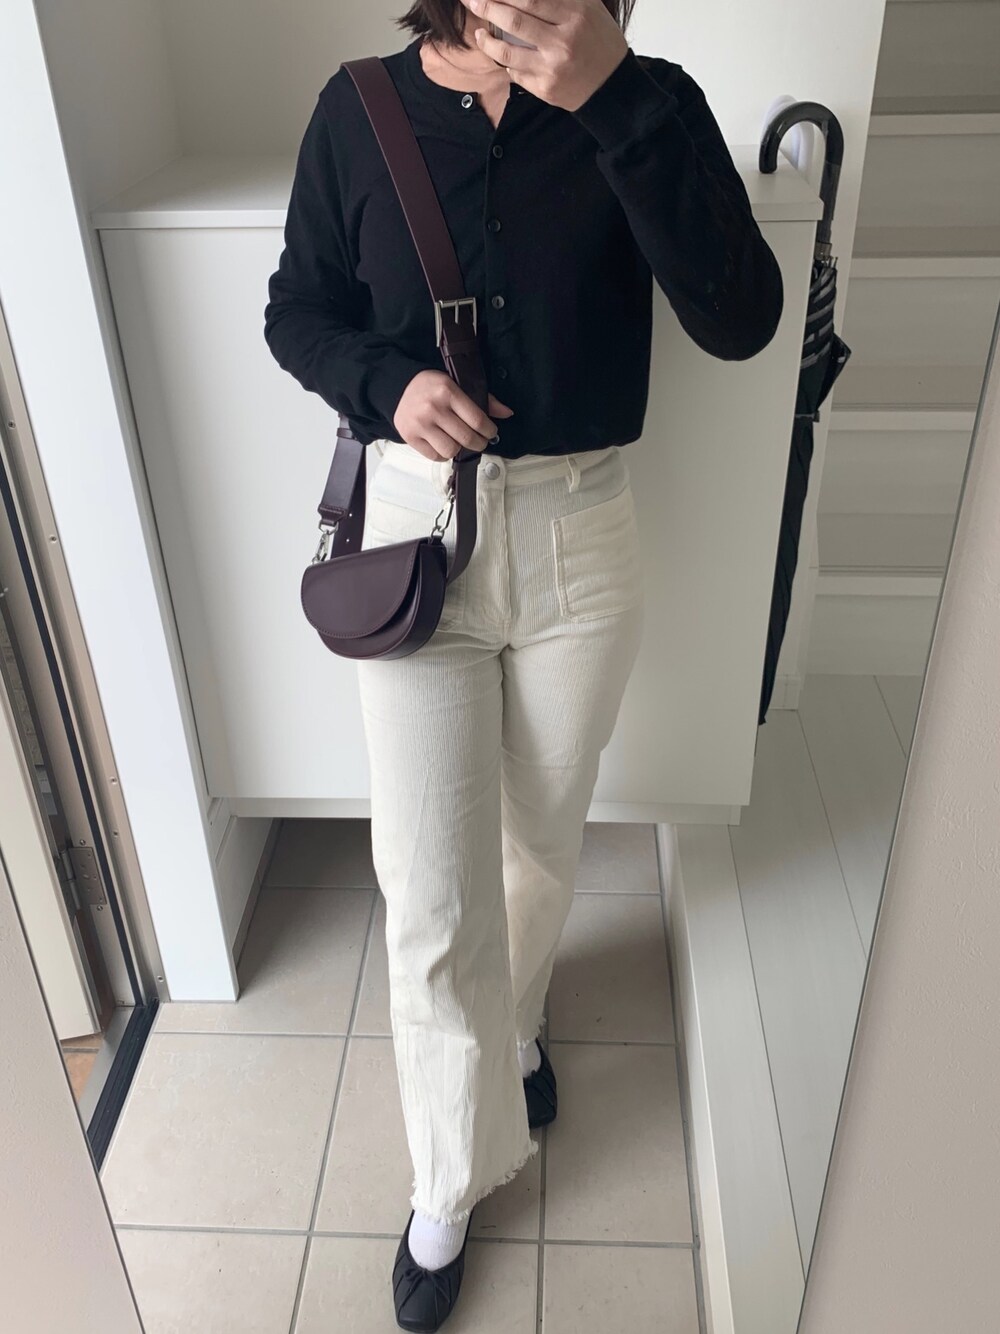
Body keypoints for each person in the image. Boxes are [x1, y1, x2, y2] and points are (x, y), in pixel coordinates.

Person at [264, 1, 783, 1327]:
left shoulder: (650, 96)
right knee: (429, 887)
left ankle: (518, 1026)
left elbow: (740, 318)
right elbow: (298, 310)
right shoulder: (360, 109)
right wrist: (386, 387)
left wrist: (612, 100)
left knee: (541, 841)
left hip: (580, 533)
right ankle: (449, 1177)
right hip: (415, 533)